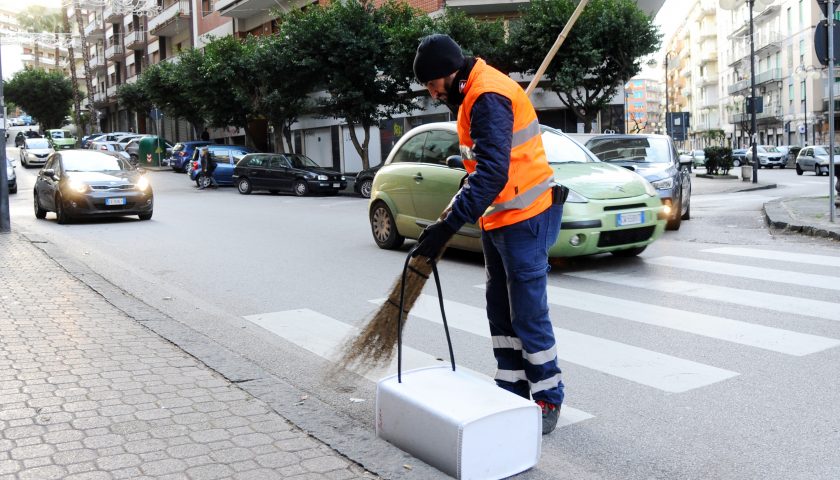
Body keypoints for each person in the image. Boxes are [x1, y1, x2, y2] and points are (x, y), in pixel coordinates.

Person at [411, 34, 566, 435]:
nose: (432, 93)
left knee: (528, 313)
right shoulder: (472, 96)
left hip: (527, 217)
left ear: (450, 72)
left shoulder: (487, 95)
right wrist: (456, 206)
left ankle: (548, 396)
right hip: (499, 219)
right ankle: (511, 389)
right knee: (499, 309)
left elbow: (495, 173)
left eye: (432, 84)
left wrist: (449, 225)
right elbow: (481, 167)